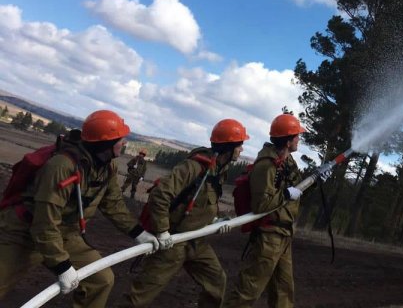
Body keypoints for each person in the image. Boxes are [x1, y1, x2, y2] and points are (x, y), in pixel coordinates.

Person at [0, 110, 159, 308]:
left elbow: (113, 204)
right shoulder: (61, 166)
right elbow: (44, 222)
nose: (124, 143)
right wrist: (62, 265)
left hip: (65, 235)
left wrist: (139, 233)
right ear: (106, 143)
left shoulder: (107, 168)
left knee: (101, 281)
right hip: (23, 233)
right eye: (121, 138)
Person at [120, 118, 250, 308]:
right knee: (140, 296)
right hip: (173, 242)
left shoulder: (218, 169)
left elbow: (201, 203)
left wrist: (214, 221)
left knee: (216, 283)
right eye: (240, 145)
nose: (242, 150)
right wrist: (163, 231)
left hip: (197, 241)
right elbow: (160, 194)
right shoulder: (194, 167)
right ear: (228, 147)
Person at [224, 113, 330, 308]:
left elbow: (295, 193)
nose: (299, 139)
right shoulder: (267, 165)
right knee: (247, 291)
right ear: (288, 140)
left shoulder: (288, 162)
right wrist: (288, 194)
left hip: (284, 235)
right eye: (297, 135)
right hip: (268, 236)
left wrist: (315, 182)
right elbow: (262, 205)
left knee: (283, 292)